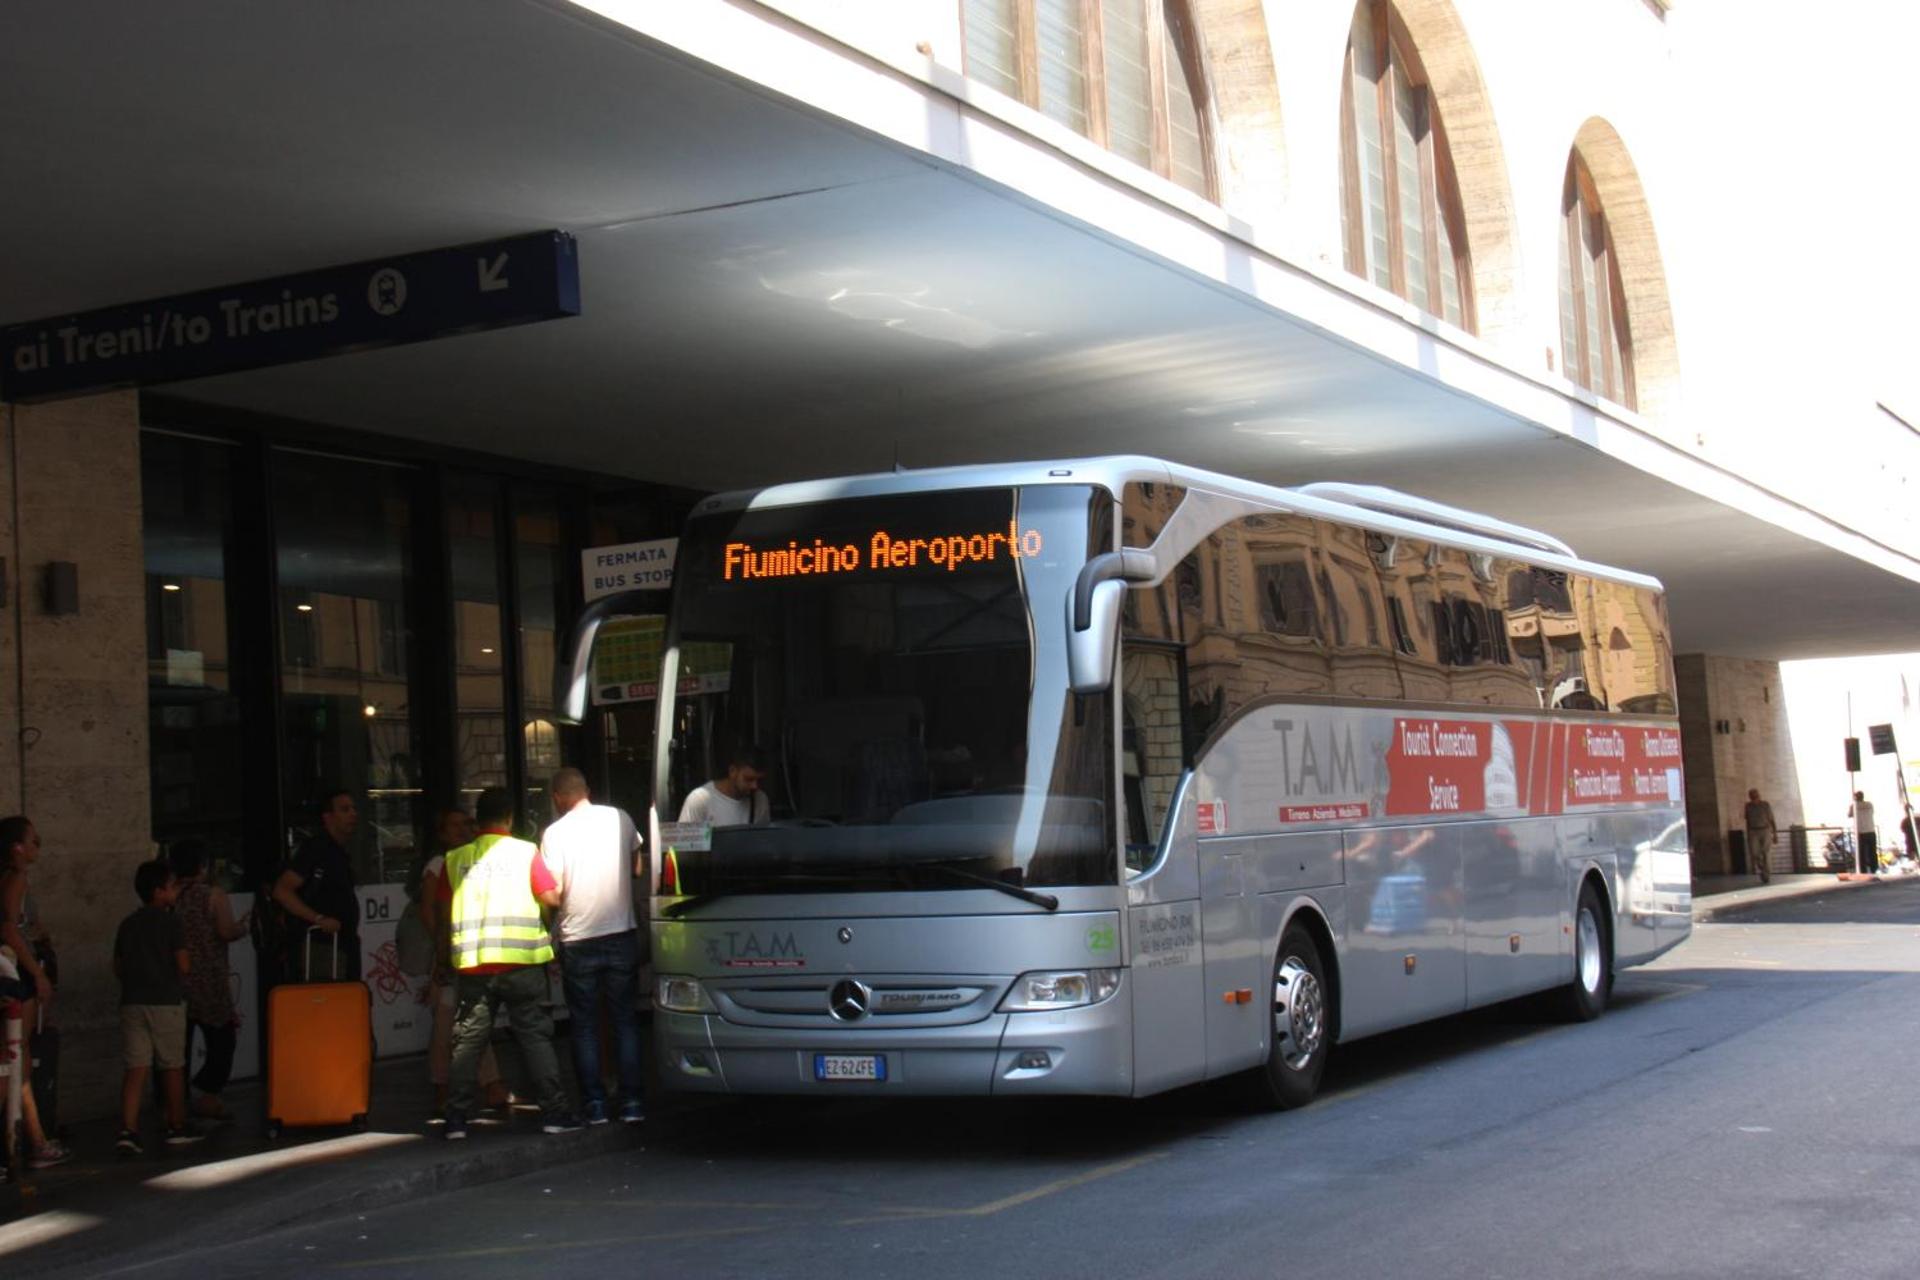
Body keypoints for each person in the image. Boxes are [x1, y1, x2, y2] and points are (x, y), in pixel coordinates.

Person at [436, 787, 581, 1140]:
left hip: (474, 966)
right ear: (510, 818)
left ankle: (456, 1119)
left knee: (467, 1043)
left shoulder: (454, 859)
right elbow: (550, 896)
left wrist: (442, 960)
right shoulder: (525, 852)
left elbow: (442, 916)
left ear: (477, 821)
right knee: (535, 1037)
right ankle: (554, 1113)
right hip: (522, 963)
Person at [538, 767, 646, 1126]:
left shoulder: (554, 834)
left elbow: (554, 893)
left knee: (583, 1026)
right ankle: (631, 1103)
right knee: (625, 1022)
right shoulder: (620, 817)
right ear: (587, 790)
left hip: (578, 937)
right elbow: (637, 867)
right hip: (620, 933)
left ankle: (595, 1105)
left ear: (557, 797)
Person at [417, 806, 505, 1119]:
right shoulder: (440, 864)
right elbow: (429, 912)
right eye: (454, 826)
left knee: (470, 1019)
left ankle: (484, 1085)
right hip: (451, 955)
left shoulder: (467, 861)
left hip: (466, 953)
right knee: (448, 1023)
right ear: (442, 833)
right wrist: (446, 951)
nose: (462, 830)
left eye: (466, 825)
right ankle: (449, 1086)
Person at [114, 859, 204, 1154]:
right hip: (166, 1001)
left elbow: (117, 966)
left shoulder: (127, 924)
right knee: (172, 1065)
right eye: (172, 886)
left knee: (136, 1067)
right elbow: (183, 963)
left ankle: (128, 1130)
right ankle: (176, 1124)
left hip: (132, 1001)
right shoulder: (171, 922)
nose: (176, 891)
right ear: (159, 891)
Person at [0, 815, 68, 1169]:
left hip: (13, 970)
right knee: (18, 1056)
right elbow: (9, 928)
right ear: (17, 848)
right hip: (17, 974)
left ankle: (32, 1138)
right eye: (33, 840)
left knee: (14, 1057)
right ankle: (32, 1140)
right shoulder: (17, 879)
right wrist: (37, 972)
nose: (37, 845)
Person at [168, 840, 248, 1120]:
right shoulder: (213, 895)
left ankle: (174, 1101)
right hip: (210, 978)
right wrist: (245, 927)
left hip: (176, 980)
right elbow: (226, 931)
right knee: (222, 1039)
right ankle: (208, 1093)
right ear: (202, 866)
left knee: (177, 1048)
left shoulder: (169, 895)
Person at [274, 789, 362, 981]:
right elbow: (282, 890)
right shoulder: (316, 849)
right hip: (321, 946)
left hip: (341, 943)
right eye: (345, 810)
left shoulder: (337, 852)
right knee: (328, 1001)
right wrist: (318, 918)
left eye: (353, 809)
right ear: (328, 817)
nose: (353, 814)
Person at [677, 744, 771, 826]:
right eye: (748, 779)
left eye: (759, 780)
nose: (754, 786)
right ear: (732, 771)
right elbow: (682, 844)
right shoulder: (699, 800)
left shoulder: (760, 800)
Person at [1743, 789, 1778, 885]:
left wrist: (1775, 833)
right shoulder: (1748, 806)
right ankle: (1763, 869)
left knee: (1766, 853)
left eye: (1755, 794)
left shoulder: (1765, 805)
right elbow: (1748, 821)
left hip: (1765, 830)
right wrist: (1748, 833)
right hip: (1753, 831)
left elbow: (1771, 819)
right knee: (1754, 853)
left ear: (1758, 794)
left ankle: (1766, 874)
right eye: (1751, 794)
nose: (1753, 796)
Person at [1849, 791, 1878, 874]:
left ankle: (1863, 870)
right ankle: (1874, 868)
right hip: (1871, 830)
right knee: (1872, 851)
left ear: (1856, 797)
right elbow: (1872, 813)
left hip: (1860, 832)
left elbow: (1849, 815)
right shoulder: (1869, 804)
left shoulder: (1853, 806)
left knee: (1861, 853)